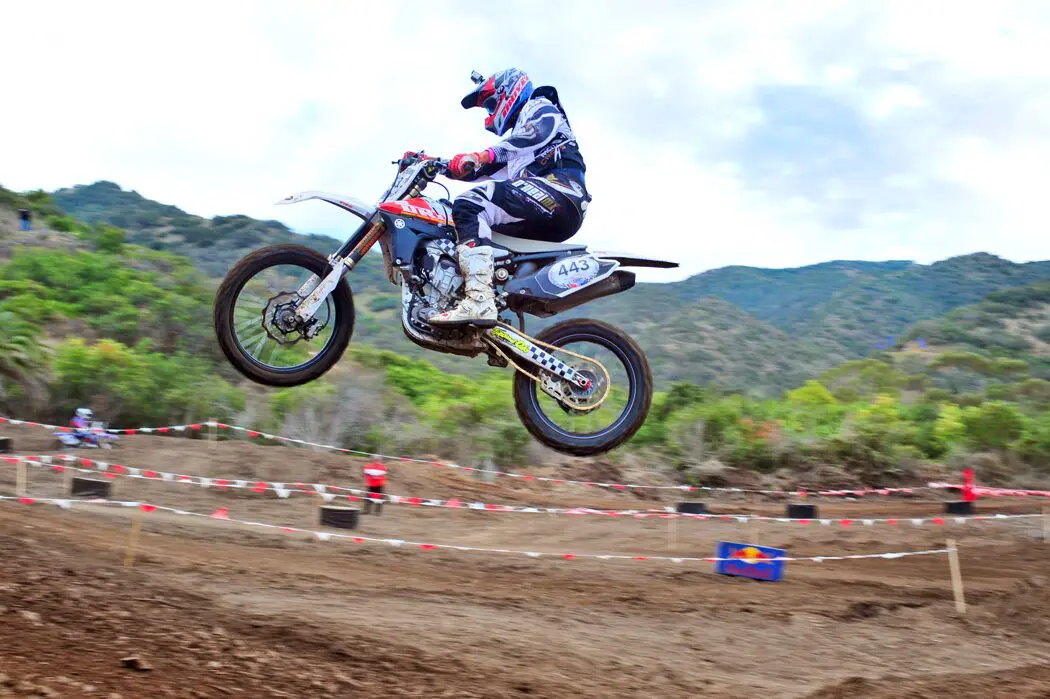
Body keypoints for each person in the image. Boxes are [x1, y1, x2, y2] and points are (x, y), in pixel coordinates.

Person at [428, 68, 591, 326]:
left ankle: (478, 300)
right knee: (470, 225)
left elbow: (536, 133)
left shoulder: (541, 106)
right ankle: (488, 297)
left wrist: (484, 154)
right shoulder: (518, 149)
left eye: (491, 104)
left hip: (560, 192)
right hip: (548, 205)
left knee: (470, 204)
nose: (490, 114)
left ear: (509, 91)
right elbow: (480, 170)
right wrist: (433, 164)